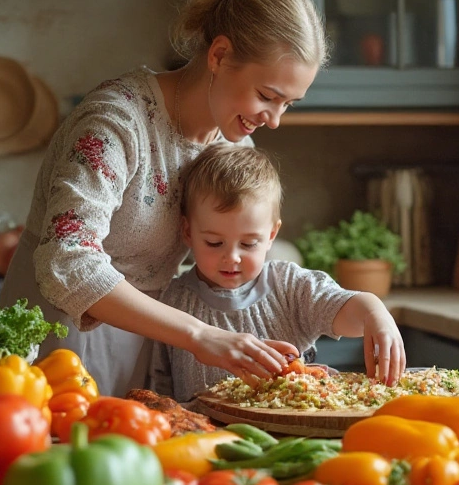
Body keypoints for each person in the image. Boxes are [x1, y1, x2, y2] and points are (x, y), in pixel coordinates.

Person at [0, 0, 327, 396]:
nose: (275, 120)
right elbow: (67, 262)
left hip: (145, 344)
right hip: (55, 345)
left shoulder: (232, 146)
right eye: (268, 96)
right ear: (219, 54)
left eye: (289, 103)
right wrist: (200, 335)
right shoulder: (116, 123)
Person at [151, 143, 406, 402]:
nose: (232, 257)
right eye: (214, 243)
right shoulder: (172, 302)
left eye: (249, 244)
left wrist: (374, 311)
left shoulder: (291, 286)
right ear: (187, 232)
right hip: (205, 437)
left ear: (271, 234)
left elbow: (344, 309)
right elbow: (160, 388)